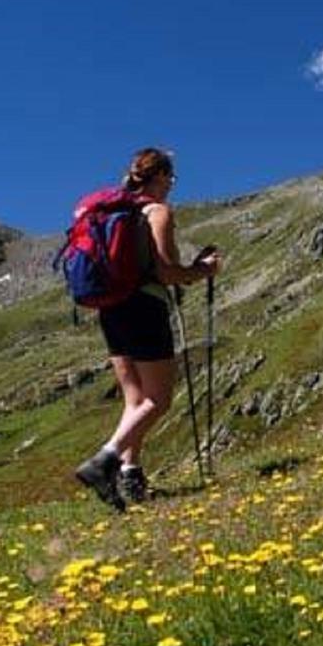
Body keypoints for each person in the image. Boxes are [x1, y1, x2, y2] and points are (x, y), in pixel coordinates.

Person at [74, 148, 221, 510]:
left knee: (135, 400)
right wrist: (204, 269)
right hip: (144, 307)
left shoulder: (114, 212)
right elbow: (167, 272)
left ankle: (130, 475)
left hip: (110, 309)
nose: (172, 184)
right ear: (158, 177)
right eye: (170, 177)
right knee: (158, 399)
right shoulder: (157, 212)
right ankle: (103, 461)